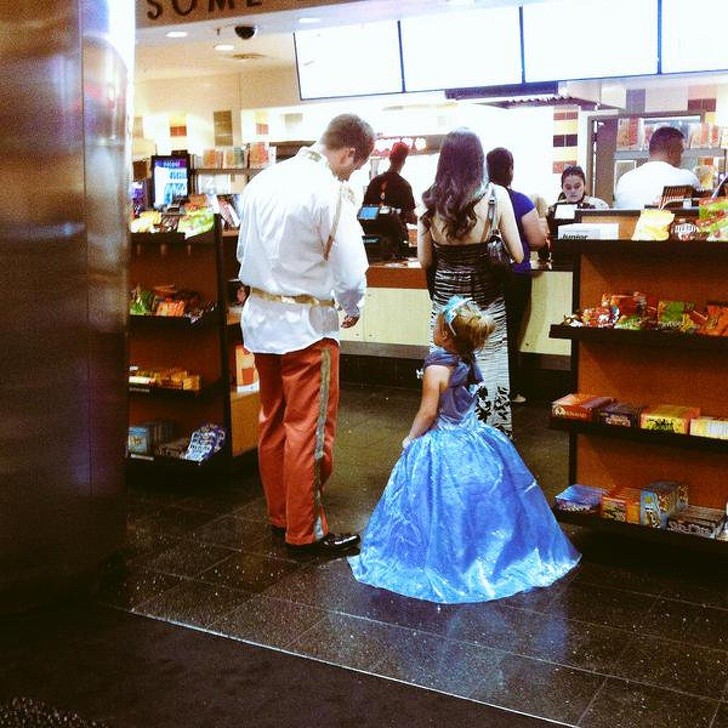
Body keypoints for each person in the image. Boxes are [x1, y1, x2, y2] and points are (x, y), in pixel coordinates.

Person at [348, 296, 581, 604]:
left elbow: (428, 413)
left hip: (442, 441)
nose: (433, 328)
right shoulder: (467, 358)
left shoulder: (436, 367)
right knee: (482, 503)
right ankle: (486, 555)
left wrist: (410, 438)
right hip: (474, 436)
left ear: (445, 335)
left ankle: (446, 563)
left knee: (437, 506)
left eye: (436, 325)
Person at [236, 113, 375, 557]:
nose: (352, 173)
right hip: (307, 328)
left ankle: (282, 516)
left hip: (260, 322)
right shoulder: (329, 191)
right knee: (309, 430)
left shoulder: (263, 181)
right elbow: (351, 271)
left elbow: (242, 250)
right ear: (349, 152)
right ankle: (306, 529)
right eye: (356, 165)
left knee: (272, 419)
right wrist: (352, 307)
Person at [418, 128, 523, 437]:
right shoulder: (496, 196)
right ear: (479, 159)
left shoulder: (430, 201)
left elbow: (425, 261)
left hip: (446, 311)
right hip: (486, 307)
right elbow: (517, 254)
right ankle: (489, 447)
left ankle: (449, 443)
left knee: (446, 379)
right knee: (488, 380)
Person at [486, 147, 548, 405]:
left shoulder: (477, 200)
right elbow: (536, 241)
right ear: (510, 170)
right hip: (514, 275)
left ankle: (486, 388)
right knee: (508, 333)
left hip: (485, 276)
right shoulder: (521, 201)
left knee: (486, 333)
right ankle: (510, 390)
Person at [614, 126, 700, 209]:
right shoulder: (688, 178)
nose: (681, 158)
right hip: (667, 223)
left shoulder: (624, 179)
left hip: (629, 224)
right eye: (680, 153)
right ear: (671, 153)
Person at [363, 141, 417, 226]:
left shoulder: (374, 182)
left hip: (374, 234)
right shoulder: (404, 186)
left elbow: (365, 212)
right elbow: (410, 217)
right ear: (403, 162)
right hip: (396, 236)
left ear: (390, 158)